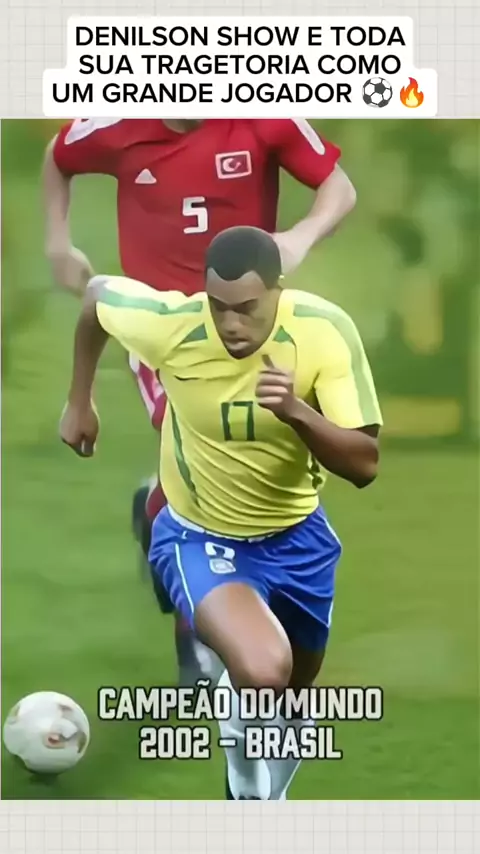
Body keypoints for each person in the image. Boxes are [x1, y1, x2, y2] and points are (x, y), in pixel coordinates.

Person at [60, 225, 382, 800]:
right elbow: (96, 296)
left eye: (247, 308)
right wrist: (79, 401)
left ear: (278, 291)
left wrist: (297, 412)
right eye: (219, 306)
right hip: (199, 535)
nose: (231, 324)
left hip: (299, 539)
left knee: (292, 700)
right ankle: (245, 786)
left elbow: (364, 465)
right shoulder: (172, 326)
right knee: (262, 669)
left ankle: (265, 794)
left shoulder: (324, 333)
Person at [44, 118, 357, 687]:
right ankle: (195, 634)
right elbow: (59, 156)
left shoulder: (263, 116)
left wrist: (300, 236)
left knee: (247, 455)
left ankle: (158, 511)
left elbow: (339, 187)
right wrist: (58, 242)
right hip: (163, 333)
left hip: (246, 329)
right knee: (195, 434)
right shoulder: (119, 123)